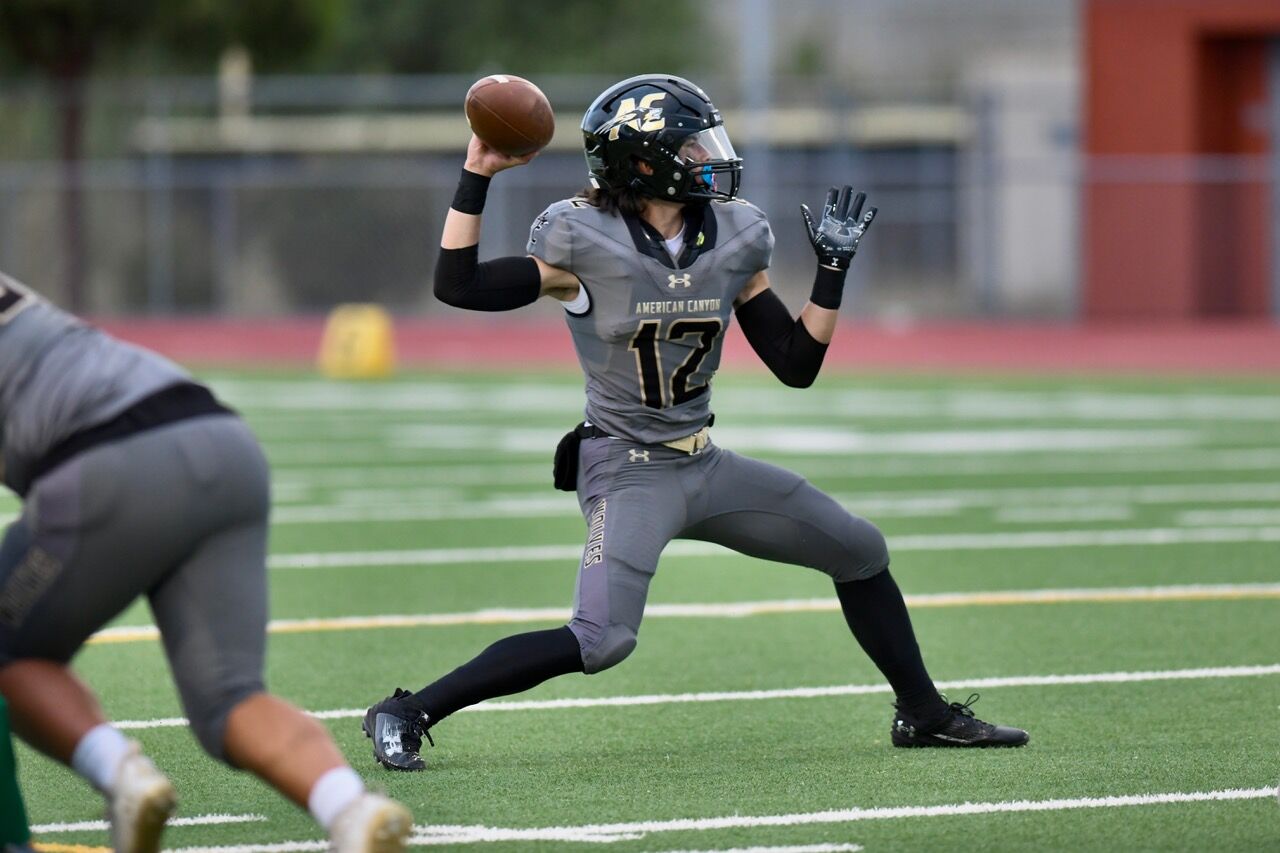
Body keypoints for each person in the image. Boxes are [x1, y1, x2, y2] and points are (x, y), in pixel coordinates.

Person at [363, 73, 1028, 772]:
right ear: (644, 161)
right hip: (626, 466)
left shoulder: (736, 234)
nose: (713, 154)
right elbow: (457, 285)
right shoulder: (580, 238)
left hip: (702, 462)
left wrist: (830, 273)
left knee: (860, 549)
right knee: (602, 637)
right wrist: (476, 173)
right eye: (693, 144)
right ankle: (407, 709)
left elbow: (794, 362)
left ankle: (922, 713)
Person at [0, 273, 413, 852]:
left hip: (108, 459)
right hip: (223, 442)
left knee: (7, 650)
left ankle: (123, 777)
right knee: (231, 698)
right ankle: (350, 809)